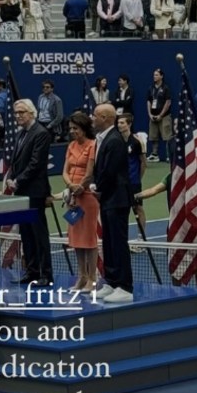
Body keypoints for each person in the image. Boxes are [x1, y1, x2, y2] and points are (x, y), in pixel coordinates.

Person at [5, 99, 52, 286]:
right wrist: (11, 178)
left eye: (22, 112)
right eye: (16, 113)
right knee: (26, 234)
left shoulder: (41, 133)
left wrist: (17, 180)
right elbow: (17, 162)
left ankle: (45, 275)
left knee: (39, 234)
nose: (18, 116)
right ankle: (31, 272)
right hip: (21, 192)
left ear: (32, 113)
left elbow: (36, 163)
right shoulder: (21, 134)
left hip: (35, 191)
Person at [92, 102, 133, 304]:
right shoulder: (104, 138)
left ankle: (125, 286)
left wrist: (97, 188)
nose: (92, 119)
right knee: (108, 242)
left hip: (117, 198)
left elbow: (109, 170)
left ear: (107, 118)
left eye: (96, 116)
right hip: (108, 198)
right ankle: (111, 281)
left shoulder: (115, 140)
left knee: (118, 242)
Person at [62, 111, 98, 290]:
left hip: (88, 197)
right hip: (73, 197)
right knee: (76, 239)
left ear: (84, 129)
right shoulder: (71, 146)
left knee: (89, 239)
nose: (72, 131)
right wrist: (70, 186)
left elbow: (90, 172)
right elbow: (65, 171)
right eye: (70, 129)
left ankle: (92, 277)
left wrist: (79, 188)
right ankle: (81, 277)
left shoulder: (93, 145)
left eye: (75, 128)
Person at [146, 68, 173, 162]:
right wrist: (149, 114)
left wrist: (161, 115)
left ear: (161, 76)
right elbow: (149, 101)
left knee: (167, 136)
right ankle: (154, 155)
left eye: (156, 75)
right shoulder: (151, 88)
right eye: (154, 75)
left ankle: (169, 155)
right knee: (153, 136)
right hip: (153, 116)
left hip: (164, 116)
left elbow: (168, 102)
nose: (154, 76)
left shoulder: (166, 88)